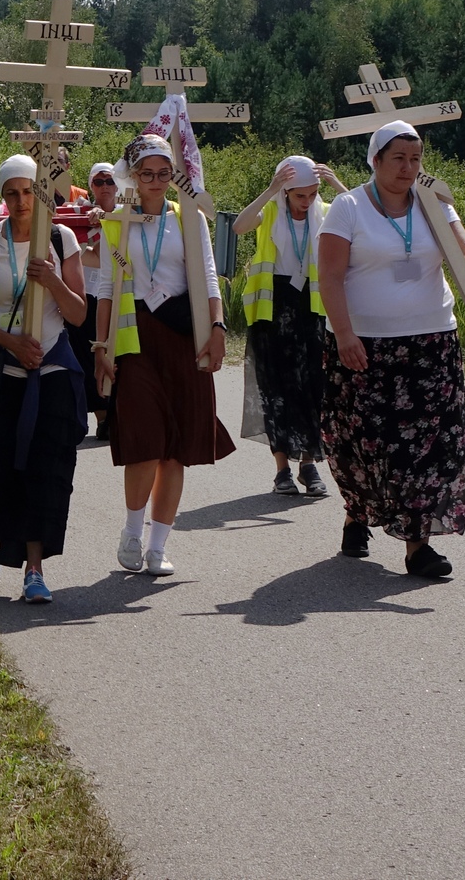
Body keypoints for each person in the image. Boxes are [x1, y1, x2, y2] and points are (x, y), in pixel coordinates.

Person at [319, 121, 465, 579]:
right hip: (365, 347)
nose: (408, 167)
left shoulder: (433, 205)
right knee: (362, 445)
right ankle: (356, 513)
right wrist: (344, 334)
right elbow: (330, 277)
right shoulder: (348, 207)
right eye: (398, 158)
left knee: (431, 446)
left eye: (415, 158)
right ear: (375, 160)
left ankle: (417, 547)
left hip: (431, 341)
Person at [0, 154, 89, 605]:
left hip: (50, 368)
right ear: (2, 197)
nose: (22, 200)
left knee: (46, 472)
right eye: (12, 193)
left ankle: (34, 571)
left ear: (41, 192)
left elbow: (79, 313)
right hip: (0, 369)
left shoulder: (63, 239)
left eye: (29, 191)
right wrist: (11, 343)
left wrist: (52, 281)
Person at [96, 133, 234, 578]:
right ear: (132, 176)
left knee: (176, 447)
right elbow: (103, 291)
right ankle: (132, 533)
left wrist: (217, 328)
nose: (156, 182)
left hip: (182, 335)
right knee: (143, 441)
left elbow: (209, 278)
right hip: (135, 339)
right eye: (146, 174)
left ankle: (158, 546)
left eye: (163, 173)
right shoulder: (116, 222)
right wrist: (101, 348)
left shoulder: (189, 217)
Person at [234, 155, 347, 497]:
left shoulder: (326, 213)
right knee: (276, 388)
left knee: (314, 387)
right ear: (285, 192)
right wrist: (270, 190)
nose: (307, 201)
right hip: (273, 307)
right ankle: (282, 469)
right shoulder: (270, 211)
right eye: (300, 195)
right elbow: (240, 225)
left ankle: (309, 465)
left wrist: (337, 186)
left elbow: (361, 218)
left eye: (312, 194)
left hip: (312, 309)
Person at [70, 162, 123, 439]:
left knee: (120, 358)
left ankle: (121, 413)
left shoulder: (129, 212)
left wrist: (107, 221)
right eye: (98, 182)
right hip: (89, 294)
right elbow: (82, 254)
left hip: (123, 295)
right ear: (91, 185)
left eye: (110, 181)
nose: (105, 187)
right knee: (86, 356)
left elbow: (106, 255)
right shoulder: (82, 214)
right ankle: (103, 417)